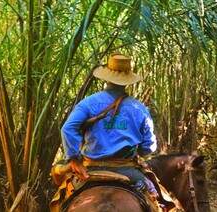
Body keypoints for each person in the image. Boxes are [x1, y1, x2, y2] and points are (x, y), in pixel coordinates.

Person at [61, 53, 158, 197]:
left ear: (107, 78)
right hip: (128, 172)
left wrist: (74, 158)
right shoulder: (140, 109)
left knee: (61, 198)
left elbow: (68, 128)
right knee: (155, 199)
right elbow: (147, 147)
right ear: (127, 81)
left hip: (90, 169)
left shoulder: (88, 103)